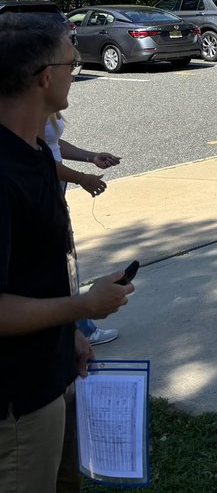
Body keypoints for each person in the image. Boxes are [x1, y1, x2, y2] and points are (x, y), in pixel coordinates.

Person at [0, 13, 133, 490]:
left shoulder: (34, 152)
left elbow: (30, 274)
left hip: (52, 372)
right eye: (72, 62)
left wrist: (67, 335)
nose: (76, 70)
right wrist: (84, 307)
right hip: (16, 405)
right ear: (44, 77)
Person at [42, 112, 122, 346]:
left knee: (66, 259)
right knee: (61, 261)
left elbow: (53, 145)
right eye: (69, 72)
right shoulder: (28, 102)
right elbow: (40, 159)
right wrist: (82, 178)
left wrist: (90, 157)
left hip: (56, 184)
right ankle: (80, 330)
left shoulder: (44, 104)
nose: (73, 76)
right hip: (47, 185)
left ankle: (77, 329)